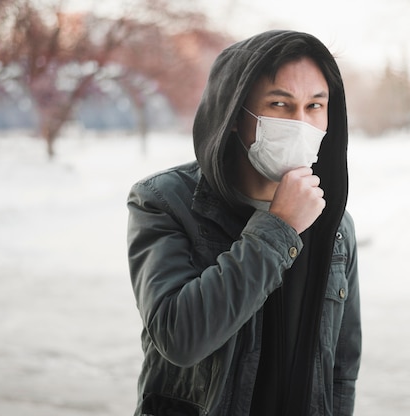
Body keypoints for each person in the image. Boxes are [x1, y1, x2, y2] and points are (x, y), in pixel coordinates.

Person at [126, 30, 361, 416]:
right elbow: (180, 337)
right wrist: (279, 227)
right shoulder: (166, 201)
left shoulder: (334, 224)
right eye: (280, 104)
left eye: (315, 106)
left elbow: (341, 371)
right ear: (235, 114)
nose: (300, 122)